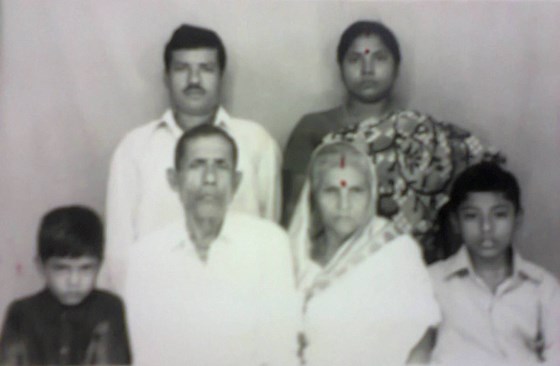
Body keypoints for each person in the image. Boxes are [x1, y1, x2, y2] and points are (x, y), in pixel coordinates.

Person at [283, 20, 502, 262]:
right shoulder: (313, 128)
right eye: (355, 60)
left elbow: (454, 217)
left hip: (411, 266)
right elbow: (296, 216)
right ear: (341, 67)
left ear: (397, 67)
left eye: (379, 58)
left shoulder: (426, 135)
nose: (367, 69)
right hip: (336, 267)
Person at [104, 24, 281, 289]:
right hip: (158, 304)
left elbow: (271, 234)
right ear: (166, 77)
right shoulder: (134, 148)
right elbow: (119, 251)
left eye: (206, 69)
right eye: (182, 68)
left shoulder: (256, 142)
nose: (194, 80)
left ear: (221, 75)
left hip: (239, 303)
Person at [124, 124, 299, 366]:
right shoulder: (146, 255)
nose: (209, 179)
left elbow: (280, 351)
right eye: (196, 165)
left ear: (236, 182)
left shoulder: (268, 244)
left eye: (221, 166)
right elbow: (148, 355)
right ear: (173, 179)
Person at [289, 141, 440, 365]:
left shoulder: (395, 252)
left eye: (356, 191)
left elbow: (423, 337)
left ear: (371, 195)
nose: (344, 204)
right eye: (331, 191)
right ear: (313, 196)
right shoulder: (295, 252)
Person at [428, 162, 560, 365]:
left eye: (499, 215)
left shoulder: (544, 287)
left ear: (517, 219)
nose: (486, 227)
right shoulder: (431, 283)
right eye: (472, 216)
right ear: (455, 221)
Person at [0, 206, 131, 365]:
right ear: (40, 266)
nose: (74, 281)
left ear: (100, 265)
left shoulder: (109, 309)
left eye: (86, 268)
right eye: (61, 268)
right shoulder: (21, 314)